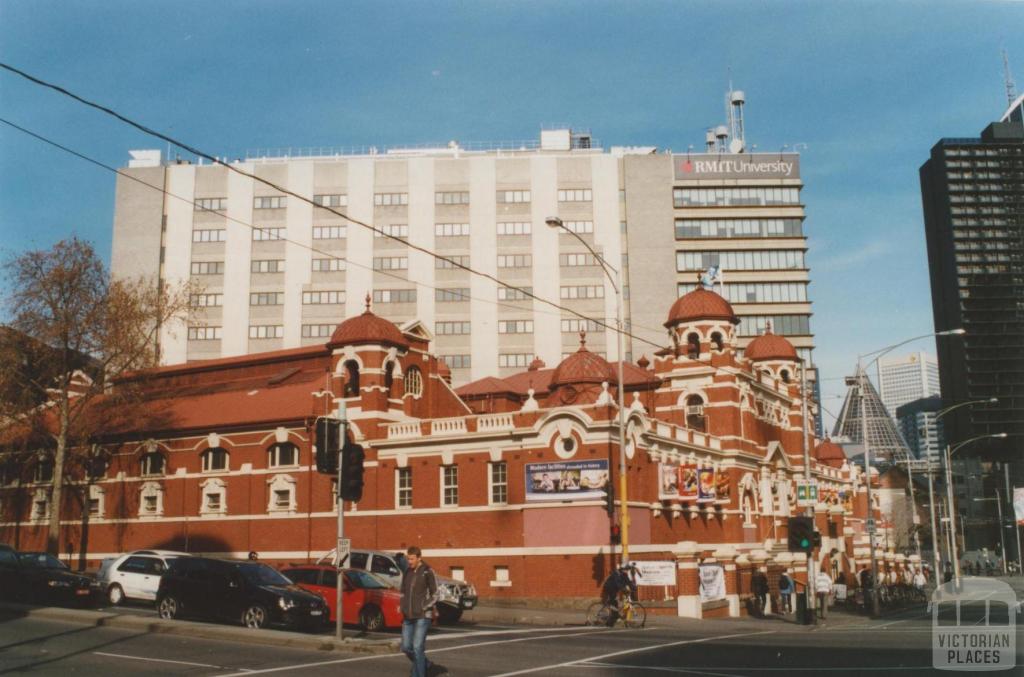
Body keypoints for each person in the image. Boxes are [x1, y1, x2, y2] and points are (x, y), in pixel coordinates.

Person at [400, 546, 444, 677]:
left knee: (418, 647)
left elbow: (436, 594)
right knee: (406, 647)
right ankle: (426, 664)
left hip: (423, 616)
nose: (409, 561)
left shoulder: (427, 571)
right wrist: (402, 605)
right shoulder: (407, 571)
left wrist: (424, 606)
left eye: (412, 559)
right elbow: (403, 591)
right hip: (408, 616)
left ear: (419, 558)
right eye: (408, 559)